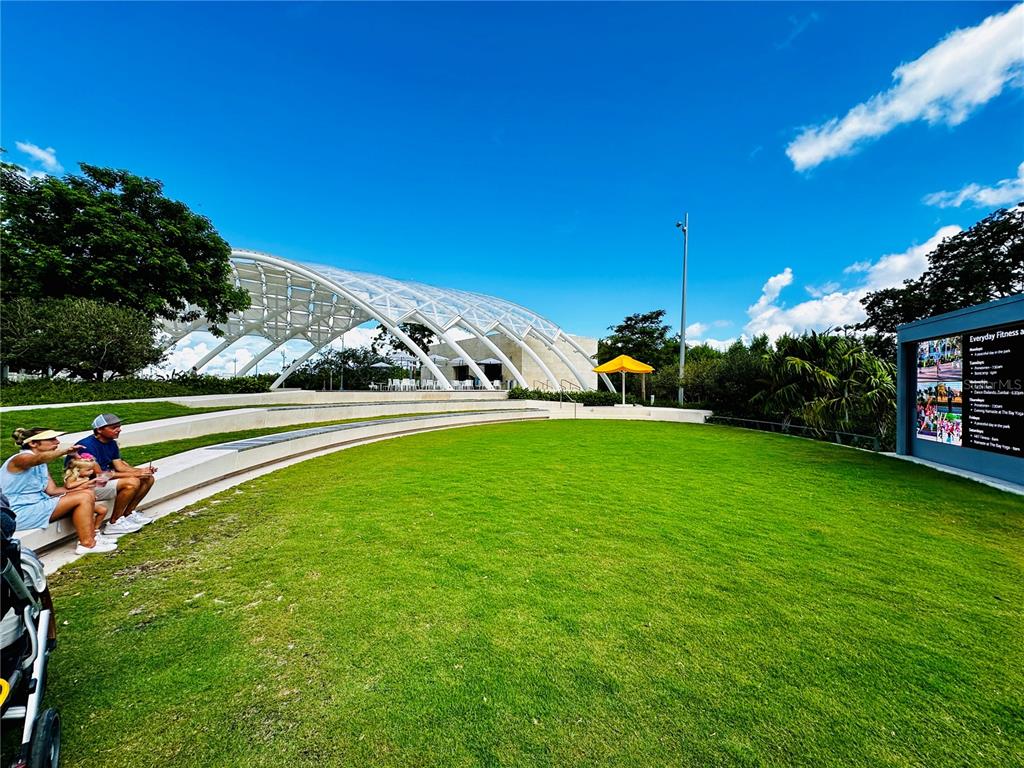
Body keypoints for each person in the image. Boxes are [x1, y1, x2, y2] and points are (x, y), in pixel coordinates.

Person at [0, 428, 116, 555]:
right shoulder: (20, 459)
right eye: (51, 439)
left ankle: (92, 538)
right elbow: (37, 459)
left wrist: (84, 486)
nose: (57, 442)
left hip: (35, 505)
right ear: (33, 443)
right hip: (16, 513)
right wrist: (65, 452)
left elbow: (53, 491)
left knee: (86, 493)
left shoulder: (41, 464)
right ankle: (87, 544)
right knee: (83, 497)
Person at [73, 414, 157, 536]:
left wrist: (143, 471)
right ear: (99, 430)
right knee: (132, 482)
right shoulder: (87, 446)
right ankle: (114, 523)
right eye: (114, 427)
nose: (119, 429)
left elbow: (120, 466)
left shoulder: (111, 443)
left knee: (148, 478)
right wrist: (136, 474)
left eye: (119, 426)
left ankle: (127, 514)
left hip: (101, 481)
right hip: (86, 486)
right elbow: (100, 475)